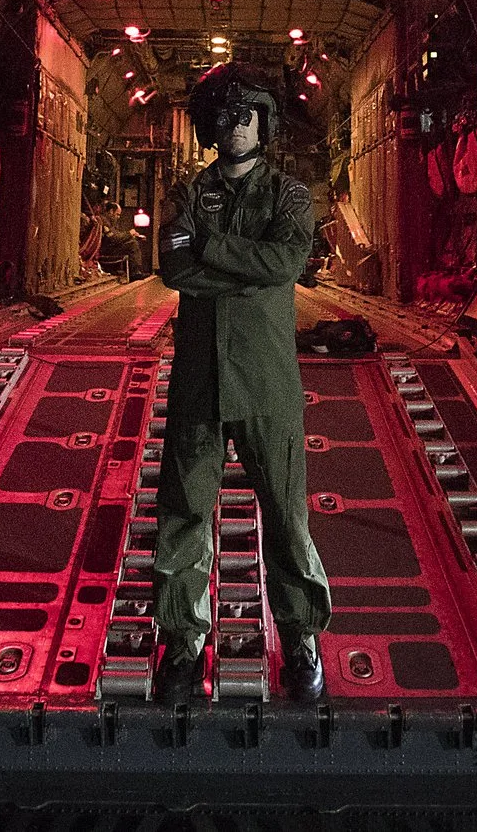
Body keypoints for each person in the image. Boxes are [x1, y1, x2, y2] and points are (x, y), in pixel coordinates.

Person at [151, 65, 331, 703]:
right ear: (209, 126)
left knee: (285, 517)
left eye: (247, 115)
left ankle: (303, 643)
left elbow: (286, 262)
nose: (235, 127)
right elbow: (174, 270)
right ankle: (181, 647)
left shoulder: (290, 196)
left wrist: (213, 249)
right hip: (199, 382)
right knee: (185, 514)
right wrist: (244, 272)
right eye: (224, 116)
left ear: (265, 124)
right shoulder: (184, 195)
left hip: (267, 381)